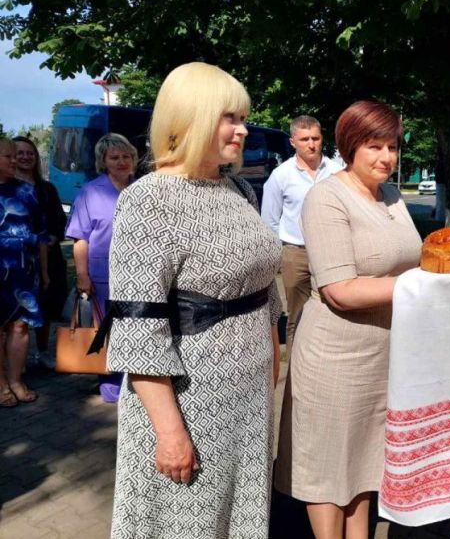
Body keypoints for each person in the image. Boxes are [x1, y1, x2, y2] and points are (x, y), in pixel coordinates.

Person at [105, 62, 282, 538]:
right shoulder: (148, 201)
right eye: (230, 118)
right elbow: (139, 329)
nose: (243, 130)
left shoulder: (238, 189)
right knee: (188, 521)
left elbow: (264, 287)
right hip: (190, 396)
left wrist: (271, 359)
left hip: (247, 391)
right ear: (192, 117)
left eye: (243, 118)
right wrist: (170, 433)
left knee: (239, 513)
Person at [275, 101, 422, 539]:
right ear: (350, 146)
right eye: (374, 146)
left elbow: (409, 258)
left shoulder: (390, 195)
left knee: (363, 464)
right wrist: (424, 285)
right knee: (328, 468)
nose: (386, 157)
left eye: (392, 147)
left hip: (383, 353)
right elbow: (340, 290)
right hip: (336, 356)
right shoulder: (327, 197)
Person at [65, 133, 137, 403]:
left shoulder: (142, 188)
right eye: (114, 157)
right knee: (106, 332)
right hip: (102, 275)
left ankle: (136, 382)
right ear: (103, 161)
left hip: (139, 273)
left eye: (126, 156)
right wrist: (82, 275)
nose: (121, 161)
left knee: (135, 329)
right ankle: (111, 387)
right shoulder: (90, 192)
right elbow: (80, 238)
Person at [261, 115, 341, 353]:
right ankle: (295, 367)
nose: (311, 144)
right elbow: (270, 220)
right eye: (305, 139)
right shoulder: (281, 175)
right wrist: (282, 254)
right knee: (297, 315)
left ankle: (327, 360)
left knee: (333, 310)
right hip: (296, 253)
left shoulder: (337, 172)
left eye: (315, 138)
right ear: (293, 141)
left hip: (332, 252)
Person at [0, 138, 47, 407]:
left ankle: (16, 380)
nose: (14, 160)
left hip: (23, 270)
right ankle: (0, 385)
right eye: (8, 156)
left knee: (20, 326)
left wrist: (44, 272)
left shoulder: (26, 191)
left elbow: (41, 234)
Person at [14, 136, 68, 365]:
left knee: (45, 306)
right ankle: (17, 359)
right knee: (15, 312)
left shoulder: (46, 188)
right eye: (20, 153)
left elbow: (59, 219)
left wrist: (53, 238)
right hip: (15, 259)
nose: (26, 157)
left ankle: (43, 351)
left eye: (30, 153)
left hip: (47, 256)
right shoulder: (5, 188)